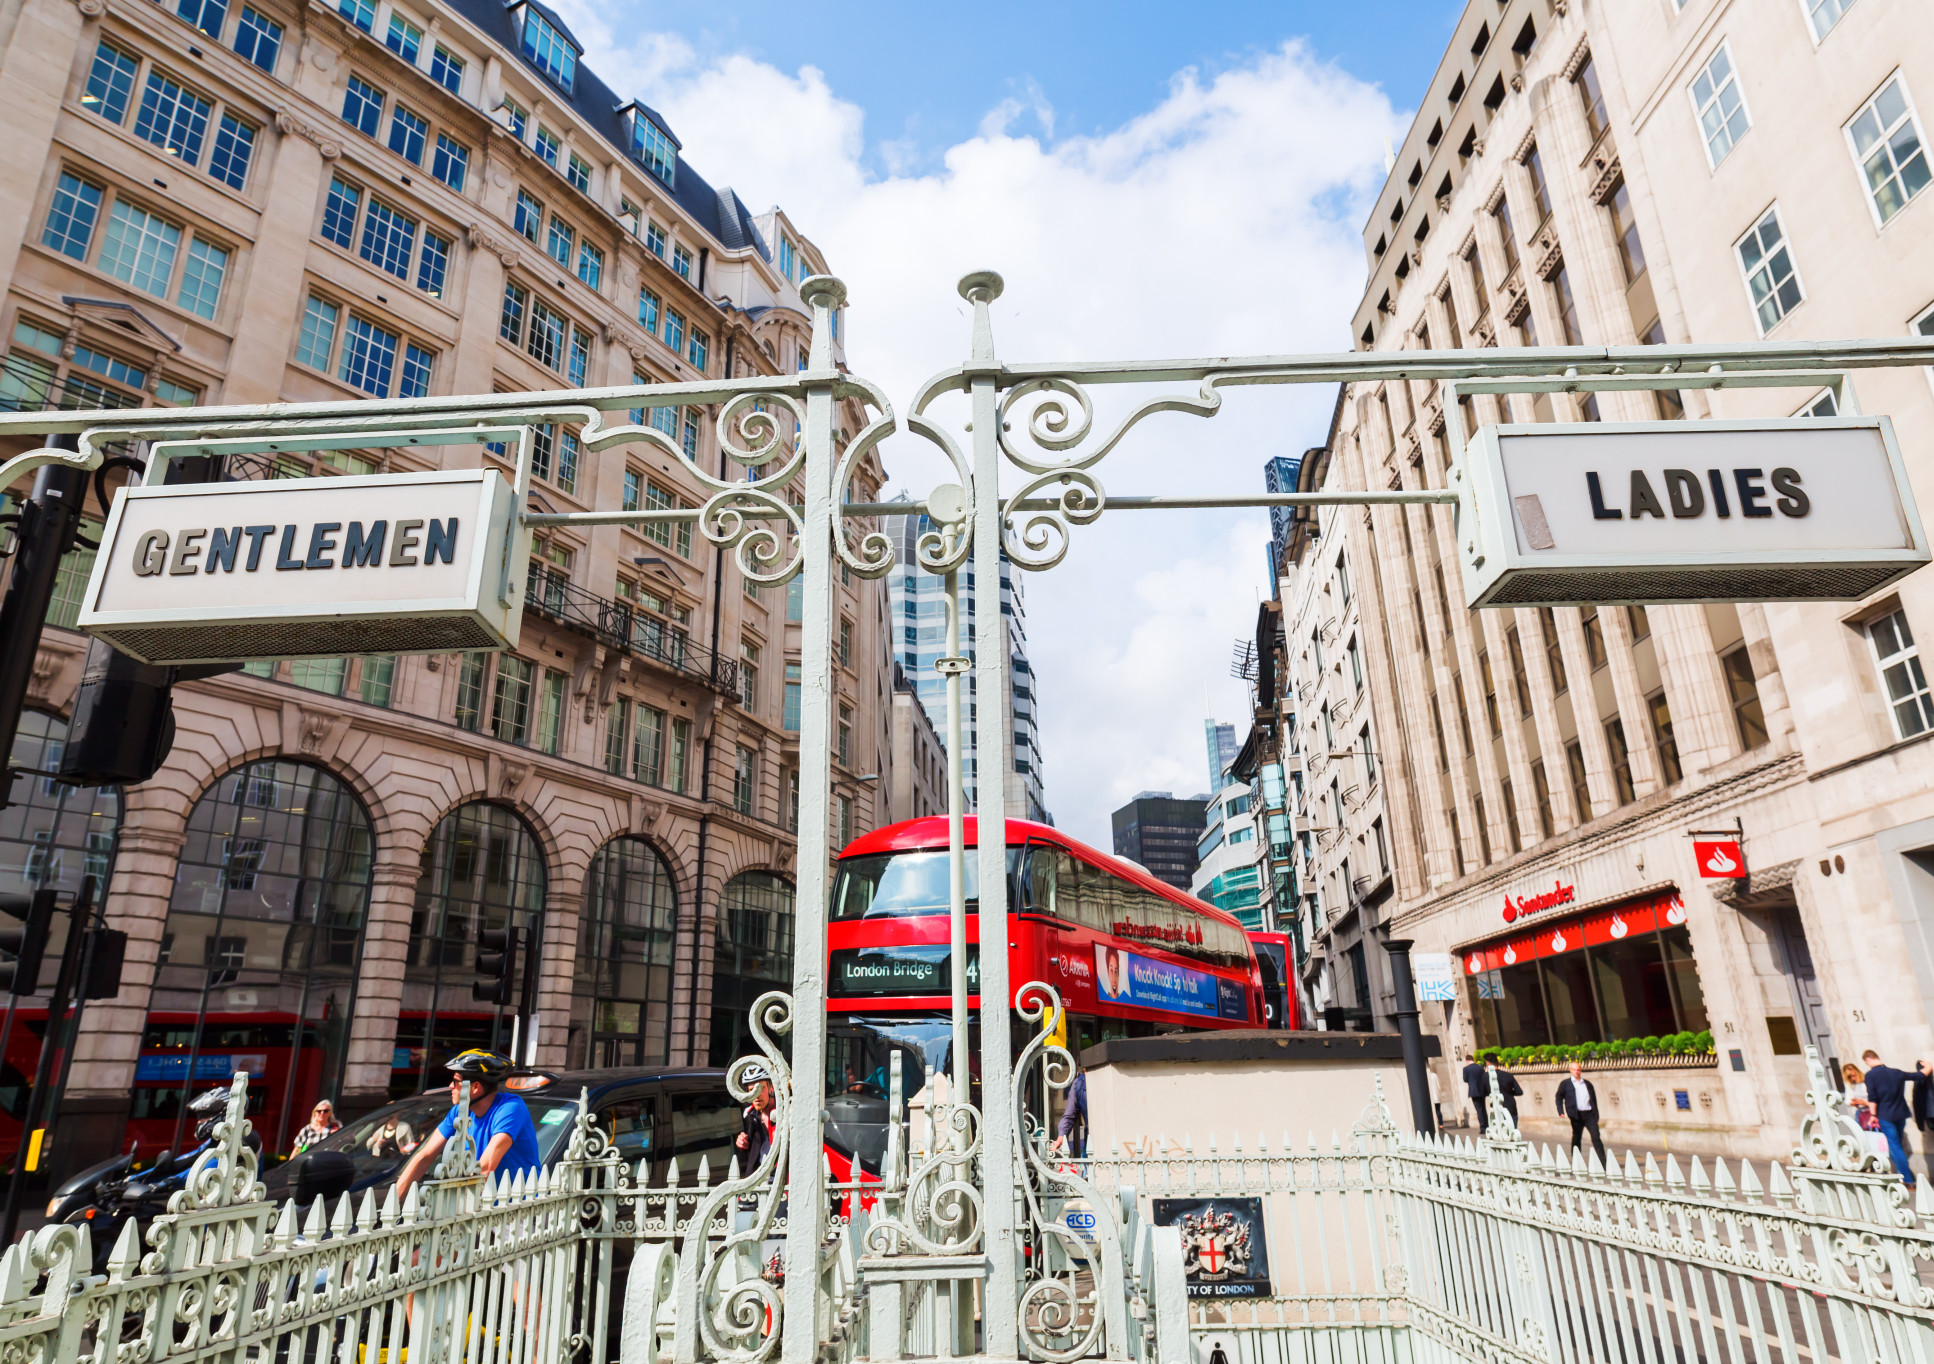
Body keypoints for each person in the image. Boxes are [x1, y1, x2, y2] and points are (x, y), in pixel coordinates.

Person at [395, 1050, 542, 1199]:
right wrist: (393, 1203)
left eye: (456, 1081)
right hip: (483, 1207)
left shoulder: (511, 1108)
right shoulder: (458, 1112)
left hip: (520, 1209)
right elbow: (425, 1156)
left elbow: (486, 1166)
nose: (450, 1086)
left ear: (475, 1087)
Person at [1860, 1049, 1918, 1189]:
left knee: (1895, 1145)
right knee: (1896, 1144)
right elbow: (1919, 1076)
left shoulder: (1870, 1075)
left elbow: (1872, 1097)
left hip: (1885, 1115)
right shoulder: (1896, 1072)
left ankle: (1907, 1179)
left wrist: (1873, 1116)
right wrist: (1927, 1067)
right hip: (1900, 1114)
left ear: (1867, 1060)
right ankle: (1903, 1175)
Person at [1555, 1061, 1606, 1162]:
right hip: (1576, 1115)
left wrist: (1596, 1115)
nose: (1576, 1072)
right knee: (1577, 1137)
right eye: (1574, 1070)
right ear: (1570, 1071)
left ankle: (1603, 1163)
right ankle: (1576, 1161)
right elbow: (1559, 1097)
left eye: (1578, 1070)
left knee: (1596, 1137)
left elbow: (1593, 1100)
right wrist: (1560, 1111)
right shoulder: (1565, 1084)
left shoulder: (1587, 1084)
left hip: (1589, 1114)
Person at [735, 1079, 777, 1171]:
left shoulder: (784, 1112)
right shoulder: (749, 1116)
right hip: (760, 1179)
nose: (756, 1095)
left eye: (761, 1088)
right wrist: (743, 1144)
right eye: (751, 1090)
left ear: (772, 1088)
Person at [1052, 1064, 1088, 1158]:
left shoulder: (1079, 1083)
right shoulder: (1079, 1083)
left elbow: (1070, 1115)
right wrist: (1061, 1136)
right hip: (1090, 1141)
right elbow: (1070, 1114)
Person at [1461, 1052, 1492, 1133]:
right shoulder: (1480, 1067)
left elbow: (1465, 1079)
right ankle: (1487, 1125)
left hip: (1474, 1091)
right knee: (1483, 1109)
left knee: (1479, 1109)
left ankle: (1483, 1127)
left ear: (1467, 1060)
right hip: (1482, 1090)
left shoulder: (1466, 1069)